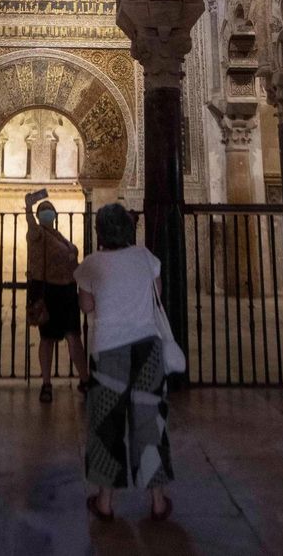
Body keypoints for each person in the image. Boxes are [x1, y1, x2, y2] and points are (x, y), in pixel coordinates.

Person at [74, 203, 174, 522]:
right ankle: (158, 501)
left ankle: (105, 501)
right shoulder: (146, 257)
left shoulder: (91, 264)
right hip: (148, 348)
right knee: (148, 420)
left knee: (107, 423)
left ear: (99, 231)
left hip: (110, 351)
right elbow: (156, 293)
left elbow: (87, 306)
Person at [24, 188, 89, 403]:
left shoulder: (57, 235)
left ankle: (85, 379)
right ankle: (46, 384)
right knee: (48, 338)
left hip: (67, 290)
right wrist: (29, 208)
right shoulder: (37, 233)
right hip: (49, 290)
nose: (47, 213)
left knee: (73, 336)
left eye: (49, 209)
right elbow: (32, 226)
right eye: (44, 210)